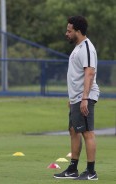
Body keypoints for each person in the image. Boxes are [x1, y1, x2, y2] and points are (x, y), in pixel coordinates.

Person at [54, 16, 100, 180]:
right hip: (76, 98)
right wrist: (73, 98)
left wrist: (84, 98)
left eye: (69, 31)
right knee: (73, 131)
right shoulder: (78, 48)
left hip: (85, 98)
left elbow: (89, 73)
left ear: (78, 31)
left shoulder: (87, 48)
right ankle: (72, 168)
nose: (66, 33)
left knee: (87, 132)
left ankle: (91, 172)